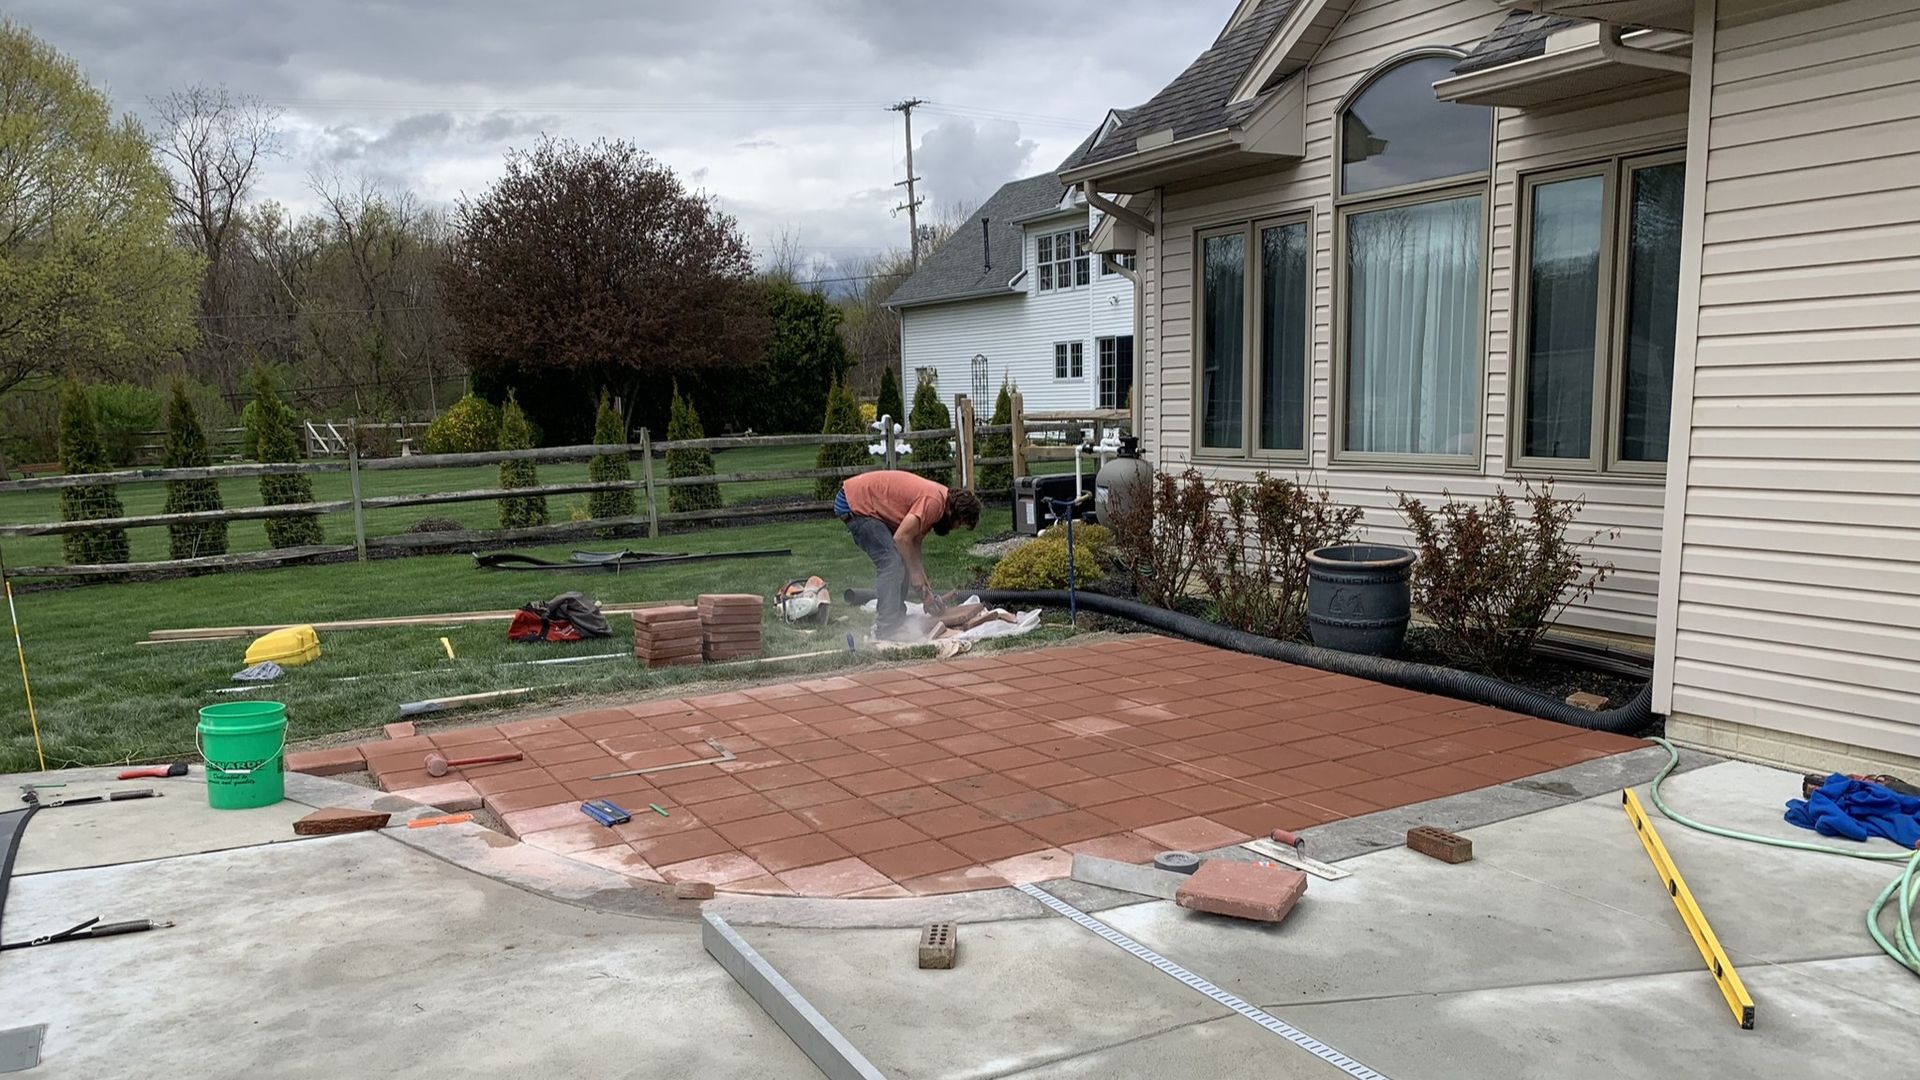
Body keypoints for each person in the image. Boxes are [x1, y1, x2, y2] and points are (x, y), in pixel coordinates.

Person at [834, 470, 982, 640]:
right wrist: (915, 573)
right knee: (891, 563)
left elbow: (913, 543)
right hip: (854, 503)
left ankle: (896, 619)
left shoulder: (939, 501)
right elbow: (901, 537)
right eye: (959, 524)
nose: (955, 528)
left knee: (903, 561)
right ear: (952, 512)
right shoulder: (934, 502)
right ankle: (886, 628)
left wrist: (924, 588)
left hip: (862, 500)